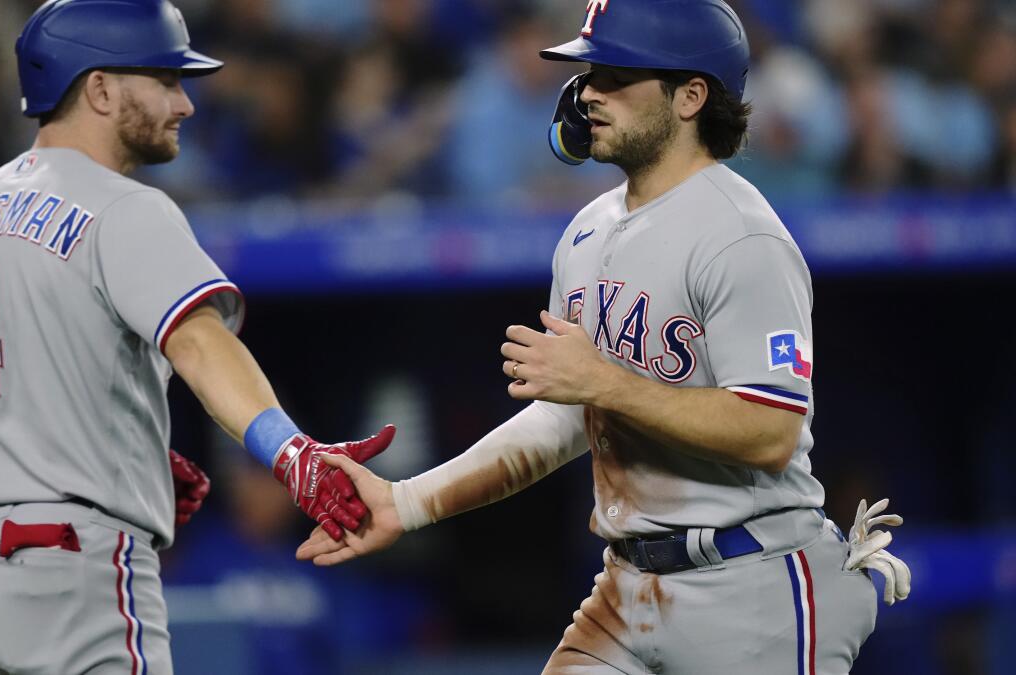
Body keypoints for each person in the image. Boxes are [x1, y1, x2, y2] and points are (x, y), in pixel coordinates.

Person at [297, 2, 911, 673]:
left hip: (752, 583)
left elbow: (771, 430)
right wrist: (405, 501)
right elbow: (567, 418)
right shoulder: (586, 232)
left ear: (690, 96)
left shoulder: (743, 235)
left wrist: (605, 382)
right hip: (627, 582)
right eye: (589, 73)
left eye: (617, 74)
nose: (588, 91)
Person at [0, 1, 393, 673]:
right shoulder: (124, 206)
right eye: (164, 80)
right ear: (100, 89)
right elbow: (198, 344)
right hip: (71, 565)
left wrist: (109, 447)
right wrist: (292, 455)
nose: (186, 103)